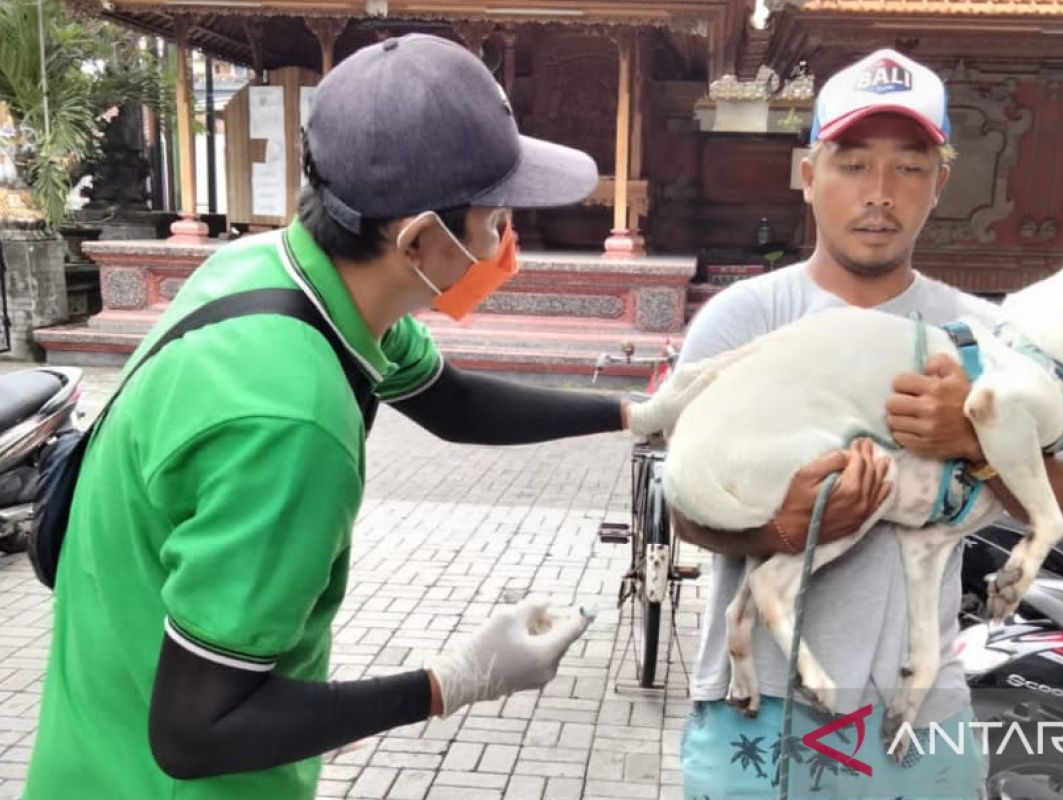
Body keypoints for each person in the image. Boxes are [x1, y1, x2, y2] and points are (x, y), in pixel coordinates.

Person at [25, 33, 656, 799]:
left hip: (88, 754)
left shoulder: (274, 274)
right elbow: (196, 733)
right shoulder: (292, 424)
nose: (504, 242)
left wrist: (637, 412)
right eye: (496, 219)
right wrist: (448, 683)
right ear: (422, 239)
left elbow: (449, 404)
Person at [672, 49, 1063, 798]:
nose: (879, 193)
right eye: (852, 163)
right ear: (809, 175)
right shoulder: (746, 319)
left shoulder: (983, 336)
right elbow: (682, 507)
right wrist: (783, 529)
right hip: (759, 711)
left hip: (918, 714)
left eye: (908, 167)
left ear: (940, 182)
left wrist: (980, 443)